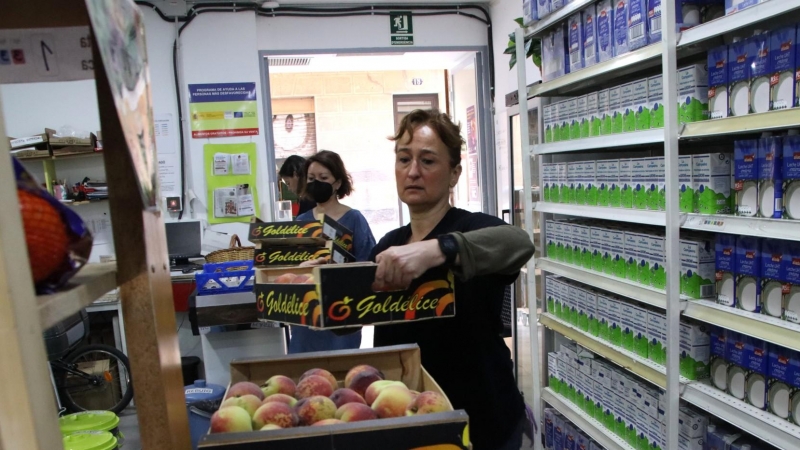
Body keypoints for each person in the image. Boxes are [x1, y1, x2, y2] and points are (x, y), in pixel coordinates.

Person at [370, 109, 535, 450]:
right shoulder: (388, 245)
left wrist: (437, 250)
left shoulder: (474, 228)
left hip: (484, 423)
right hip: (410, 421)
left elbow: (519, 244)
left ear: (455, 173)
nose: (412, 172)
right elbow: (349, 312)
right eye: (404, 159)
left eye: (428, 161)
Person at [287, 150, 377, 354]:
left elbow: (369, 265)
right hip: (306, 315)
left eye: (323, 178)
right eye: (311, 178)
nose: (315, 183)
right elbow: (288, 268)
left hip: (342, 311)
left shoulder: (354, 219)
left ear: (337, 183)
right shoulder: (300, 222)